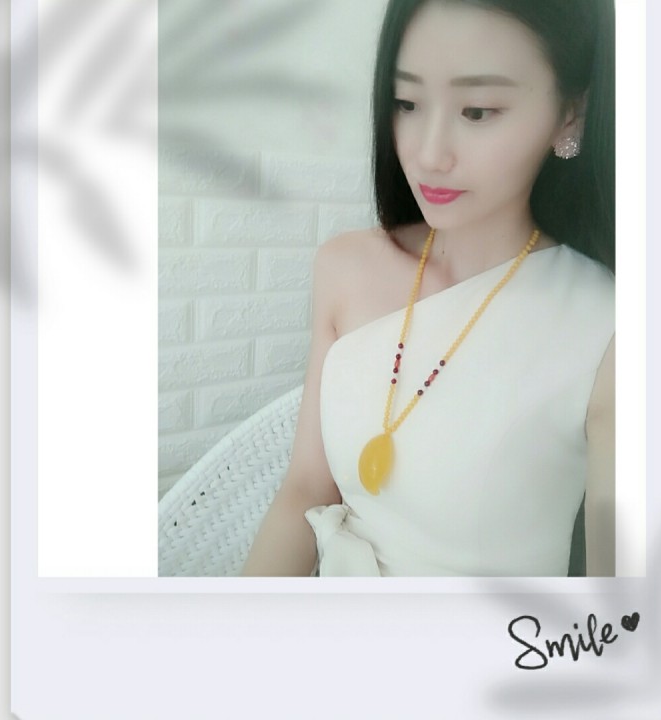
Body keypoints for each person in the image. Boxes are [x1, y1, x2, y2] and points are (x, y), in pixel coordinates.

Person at [242, 0, 615, 577]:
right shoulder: (344, 266)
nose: (427, 154)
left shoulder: (609, 326)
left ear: (570, 115)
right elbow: (305, 492)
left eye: (478, 110)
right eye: (406, 103)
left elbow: (622, 600)